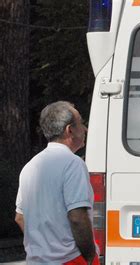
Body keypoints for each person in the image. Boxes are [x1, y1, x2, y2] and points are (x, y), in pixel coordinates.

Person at [15, 101, 99, 264]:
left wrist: (43, 246)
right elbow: (77, 217)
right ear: (70, 130)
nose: (85, 129)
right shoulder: (73, 163)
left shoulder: (30, 166)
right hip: (70, 259)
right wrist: (89, 257)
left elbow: (20, 217)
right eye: (81, 123)